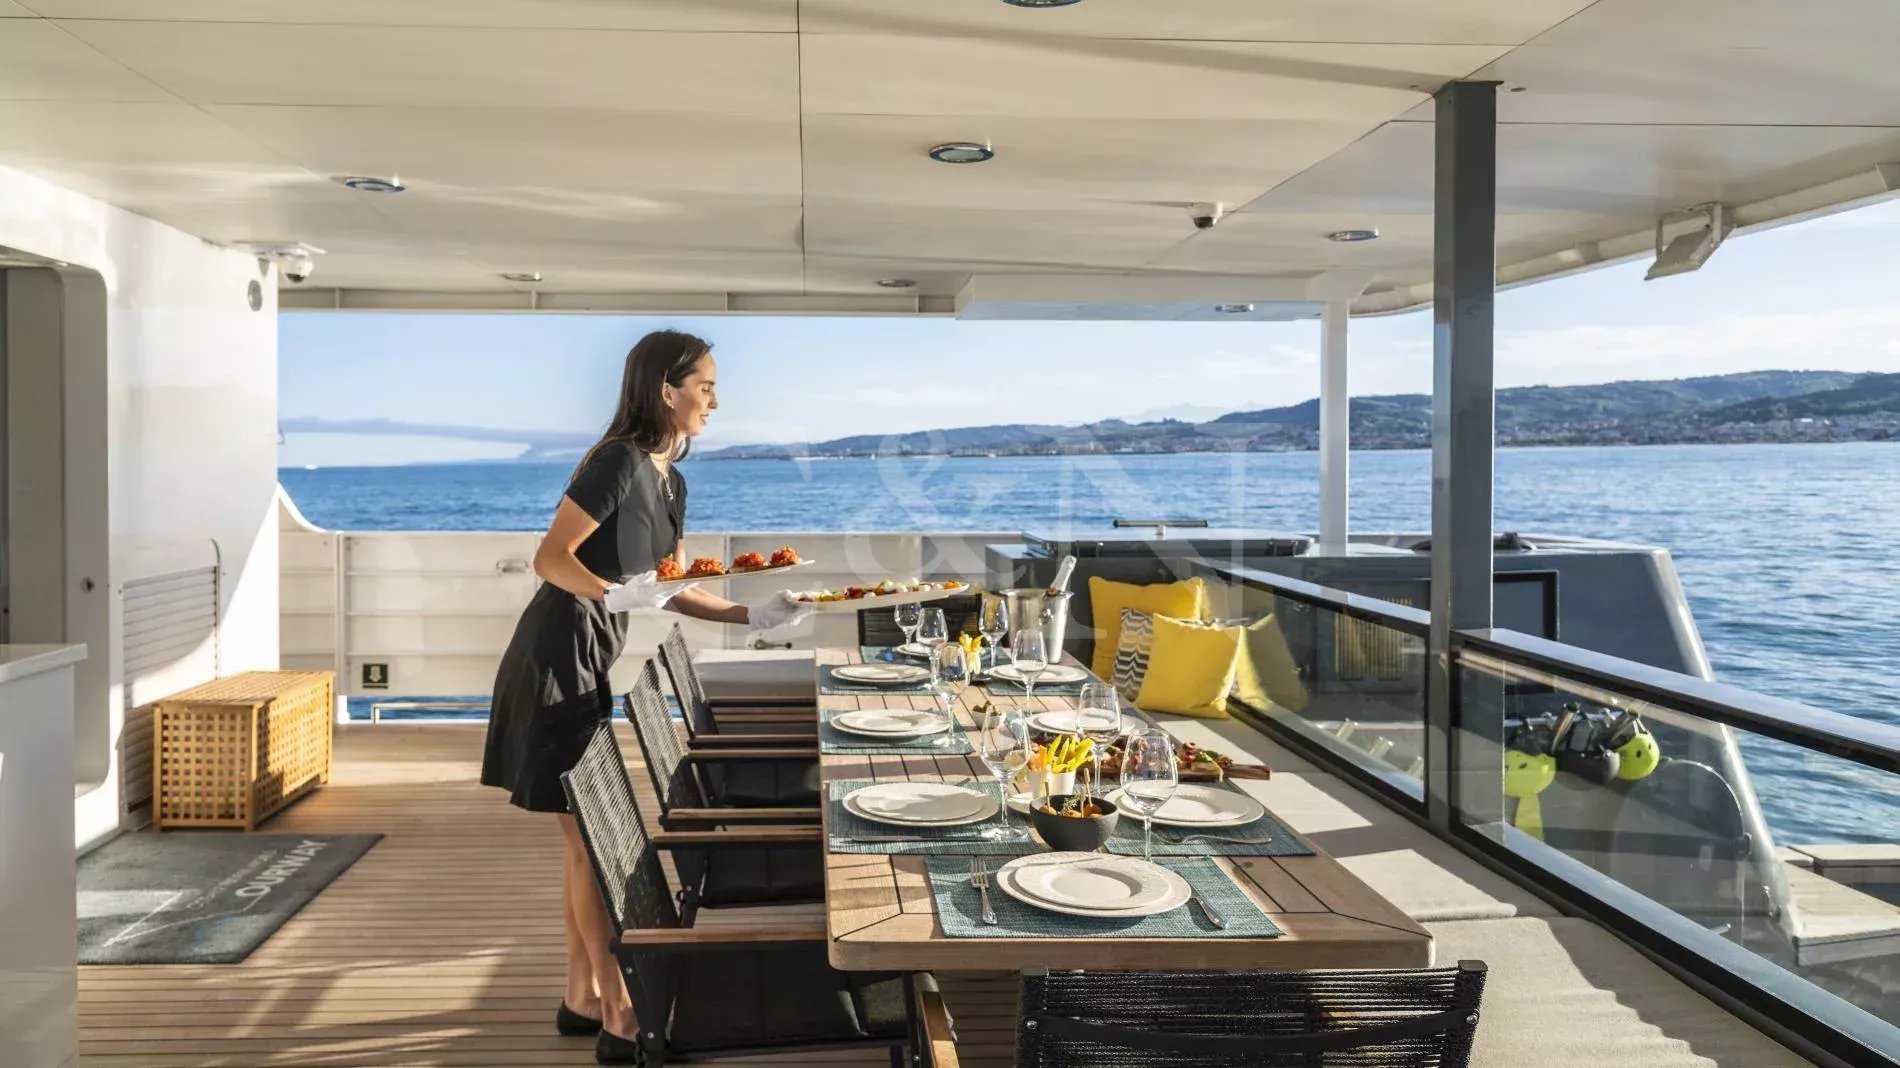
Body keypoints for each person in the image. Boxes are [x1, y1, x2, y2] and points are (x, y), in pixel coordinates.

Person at [479, 329, 809, 1063]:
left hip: (590, 657)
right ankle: (618, 1010)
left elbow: (672, 586)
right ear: (667, 389)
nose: (715, 402)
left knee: (578, 844)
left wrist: (753, 616)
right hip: (554, 659)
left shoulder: (671, 482)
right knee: (588, 843)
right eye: (706, 387)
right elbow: (551, 559)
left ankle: (581, 996)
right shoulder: (616, 462)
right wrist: (612, 592)